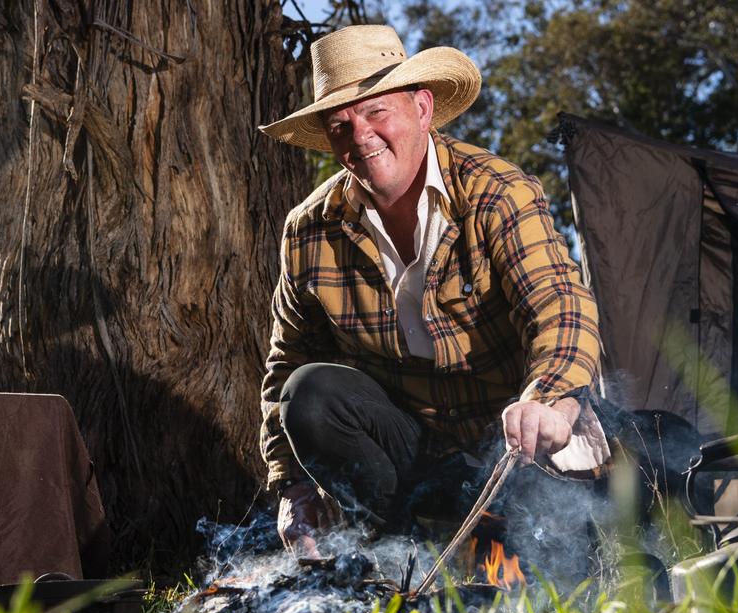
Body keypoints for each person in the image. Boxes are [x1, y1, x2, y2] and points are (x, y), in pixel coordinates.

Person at [257, 25, 609, 560]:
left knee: (560, 563)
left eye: (376, 112)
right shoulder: (308, 229)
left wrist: (549, 400)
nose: (361, 136)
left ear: (423, 108)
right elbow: (287, 363)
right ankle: (401, 554)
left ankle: (512, 539)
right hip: (411, 452)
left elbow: (560, 307)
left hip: (513, 448)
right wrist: (292, 487)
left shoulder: (496, 192)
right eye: (340, 124)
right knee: (308, 394)